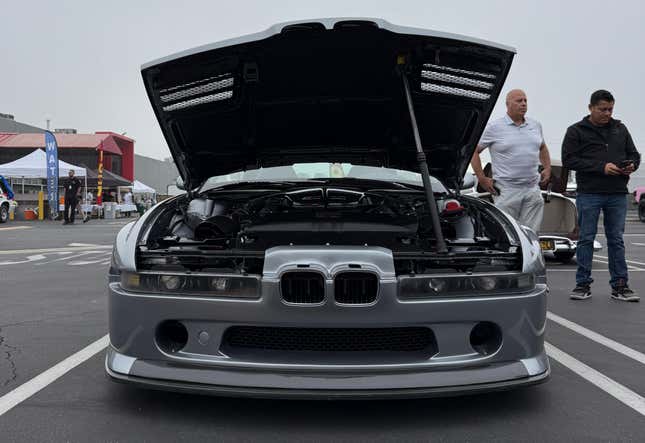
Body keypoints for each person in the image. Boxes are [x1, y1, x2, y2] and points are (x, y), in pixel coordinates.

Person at [562, 90, 641, 302]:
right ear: (591, 108)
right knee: (586, 239)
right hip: (589, 192)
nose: (607, 113)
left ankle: (620, 286)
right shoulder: (576, 131)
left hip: (617, 193)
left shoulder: (620, 129)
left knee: (616, 240)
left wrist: (632, 165)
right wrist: (601, 167)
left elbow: (634, 154)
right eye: (603, 109)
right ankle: (582, 285)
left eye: (610, 109)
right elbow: (568, 160)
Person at [471, 89, 551, 233]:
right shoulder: (494, 127)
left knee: (531, 235)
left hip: (532, 189)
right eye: (519, 101)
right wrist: (482, 178)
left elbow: (543, 147)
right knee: (507, 234)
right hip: (507, 190)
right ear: (508, 104)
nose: (523, 104)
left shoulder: (535, 125)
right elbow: (474, 152)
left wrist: (547, 168)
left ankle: (529, 256)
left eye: (525, 100)